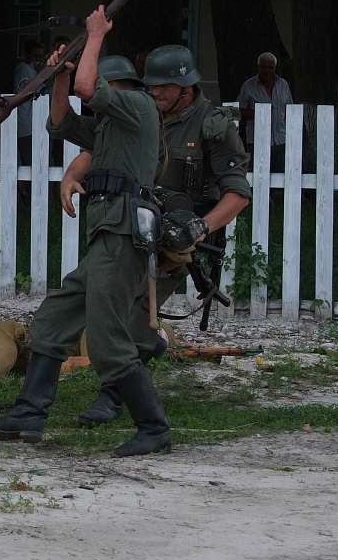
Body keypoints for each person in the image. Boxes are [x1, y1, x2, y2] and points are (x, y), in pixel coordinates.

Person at [0, 5, 169, 458]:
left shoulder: (138, 109)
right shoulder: (111, 126)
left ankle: (154, 428)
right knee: (54, 319)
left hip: (123, 236)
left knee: (106, 338)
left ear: (117, 87)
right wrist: (57, 76)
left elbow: (88, 87)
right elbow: (61, 122)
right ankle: (29, 415)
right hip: (105, 236)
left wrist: (95, 35)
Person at [58, 43, 252, 427]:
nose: (155, 92)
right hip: (132, 226)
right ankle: (147, 348)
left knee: (132, 314)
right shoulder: (145, 109)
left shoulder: (212, 125)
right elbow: (97, 144)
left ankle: (114, 395)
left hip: (176, 240)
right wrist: (70, 176)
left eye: (164, 87)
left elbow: (238, 193)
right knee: (107, 305)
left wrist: (199, 227)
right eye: (152, 85)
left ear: (187, 86)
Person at [237, 52, 293, 169]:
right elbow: (237, 111)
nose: (267, 71)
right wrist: (257, 113)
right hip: (257, 141)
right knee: (259, 175)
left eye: (270, 68)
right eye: (263, 67)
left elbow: (290, 110)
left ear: (275, 68)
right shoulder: (248, 85)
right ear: (258, 67)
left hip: (281, 140)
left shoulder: (283, 84)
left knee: (281, 177)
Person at [13, 38, 47, 139]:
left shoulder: (31, 70)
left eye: (41, 57)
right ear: (27, 55)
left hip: (31, 120)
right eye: (36, 56)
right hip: (25, 120)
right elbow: (38, 91)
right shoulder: (25, 69)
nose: (39, 60)